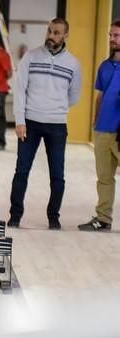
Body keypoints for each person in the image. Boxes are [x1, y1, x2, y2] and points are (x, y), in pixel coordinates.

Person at [8, 18, 81, 230]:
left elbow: (74, 97)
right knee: (21, 171)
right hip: (30, 123)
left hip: (57, 125)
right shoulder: (31, 57)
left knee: (57, 174)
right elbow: (20, 90)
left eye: (57, 32)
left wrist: (54, 108)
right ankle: (15, 215)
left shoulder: (73, 64)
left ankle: (53, 217)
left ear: (66, 35)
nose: (52, 35)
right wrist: (20, 120)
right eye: (50, 31)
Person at [78, 20, 120, 232]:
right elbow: (100, 96)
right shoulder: (104, 66)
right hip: (103, 131)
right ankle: (103, 219)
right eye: (111, 35)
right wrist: (96, 123)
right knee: (104, 178)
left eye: (117, 35)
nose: (112, 39)